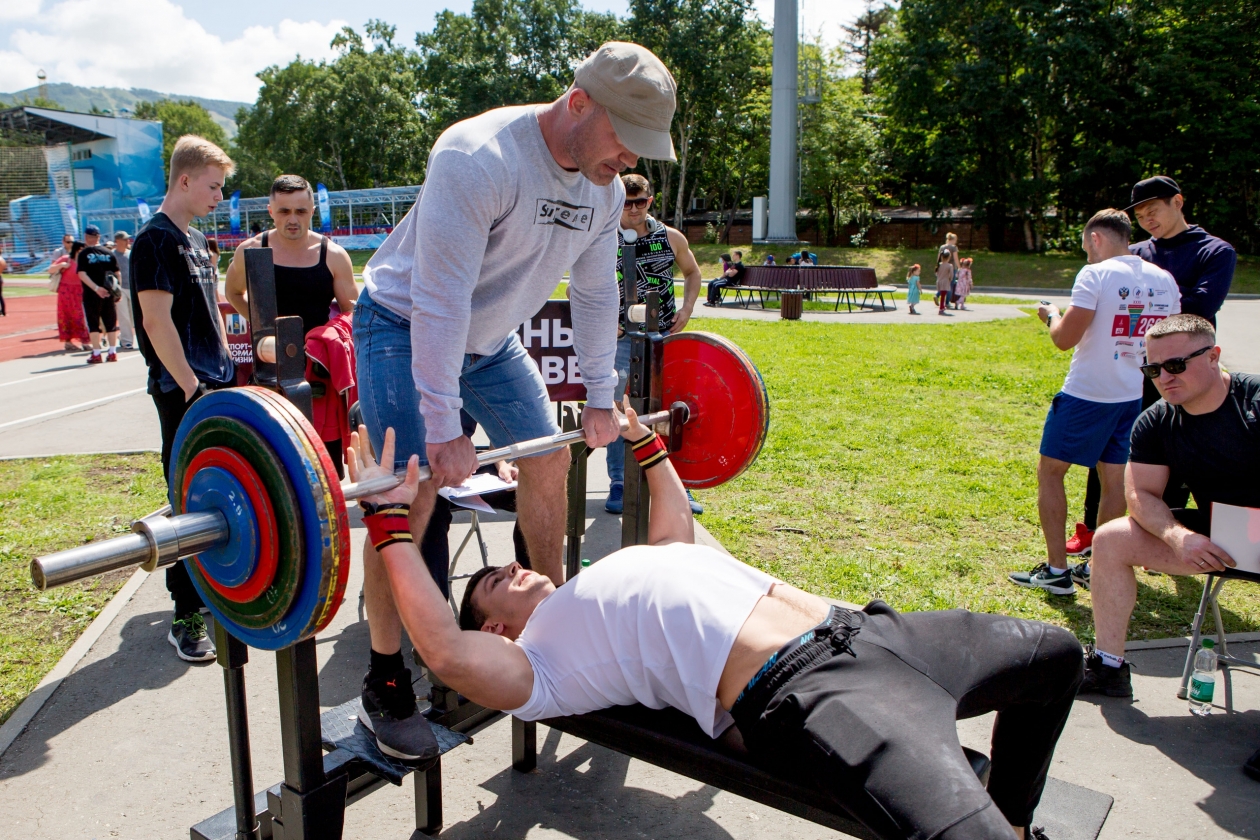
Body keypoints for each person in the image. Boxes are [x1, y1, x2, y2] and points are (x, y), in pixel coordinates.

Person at [349, 401, 1084, 840]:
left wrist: (645, 442)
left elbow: (672, 524)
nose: (510, 568)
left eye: (502, 565)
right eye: (492, 586)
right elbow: (442, 652)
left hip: (876, 631)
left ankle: (1016, 815)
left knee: (1056, 655)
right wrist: (389, 526)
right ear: (498, 632)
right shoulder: (542, 665)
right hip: (814, 694)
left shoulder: (613, 574)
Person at [351, 42, 677, 760]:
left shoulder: (606, 191)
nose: (630, 161)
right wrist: (440, 424)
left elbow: (595, 294)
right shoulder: (477, 158)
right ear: (580, 102)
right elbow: (437, 302)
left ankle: (557, 628)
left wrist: (598, 393)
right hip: (402, 323)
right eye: (626, 140)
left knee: (549, 459)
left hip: (488, 340)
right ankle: (385, 680)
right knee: (408, 494)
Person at [1077, 313, 1254, 702]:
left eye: (1176, 365)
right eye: (1153, 368)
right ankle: (1108, 668)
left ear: (1214, 356)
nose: (1164, 378)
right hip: (1221, 541)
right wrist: (1179, 537)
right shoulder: (1155, 421)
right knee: (1110, 538)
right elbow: (1140, 494)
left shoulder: (1254, 402)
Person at [1008, 209, 1180, 597]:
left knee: (1051, 472)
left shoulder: (1096, 274)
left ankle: (1056, 571)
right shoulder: (1164, 280)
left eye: (1086, 247)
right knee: (1113, 479)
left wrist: (1051, 315)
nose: (1086, 255)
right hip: (1131, 394)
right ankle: (1096, 565)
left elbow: (1064, 338)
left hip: (1086, 393)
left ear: (1097, 239)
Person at [1073, 176, 1238, 564]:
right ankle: (1093, 530)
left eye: (1154, 210)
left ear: (1178, 202)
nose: (1147, 219)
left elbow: (1199, 306)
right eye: (1141, 214)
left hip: (1182, 368)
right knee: (1113, 447)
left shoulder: (1214, 251)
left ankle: (1168, 531)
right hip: (1127, 367)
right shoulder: (1136, 252)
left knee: (1178, 445)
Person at [131, 135, 237, 663]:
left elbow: (210, 317)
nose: (220, 197)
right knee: (186, 499)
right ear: (186, 179)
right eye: (214, 186)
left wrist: (224, 374)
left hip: (213, 384)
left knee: (219, 492)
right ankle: (186, 613)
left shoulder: (196, 241)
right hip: (183, 391)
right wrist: (193, 388)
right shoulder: (153, 240)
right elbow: (155, 322)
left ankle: (211, 595)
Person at [605, 172, 703, 516]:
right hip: (622, 339)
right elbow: (577, 289)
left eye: (640, 202)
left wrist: (688, 307)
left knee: (670, 407)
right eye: (626, 202)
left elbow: (693, 272)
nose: (633, 209)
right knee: (620, 407)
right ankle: (619, 482)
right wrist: (605, 323)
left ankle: (676, 482)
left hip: (663, 336)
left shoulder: (670, 236)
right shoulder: (603, 237)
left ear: (650, 200)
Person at [76, 225, 121, 364]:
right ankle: (112, 351)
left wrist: (96, 288)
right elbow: (117, 273)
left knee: (93, 323)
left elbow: (82, 274)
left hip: (91, 294)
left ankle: (96, 353)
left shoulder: (84, 254)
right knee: (111, 322)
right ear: (99, 237)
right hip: (108, 293)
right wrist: (115, 290)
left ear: (86, 237)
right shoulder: (109, 253)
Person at [51, 242, 91, 351]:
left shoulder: (85, 261)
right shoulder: (66, 259)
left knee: (81, 316)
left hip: (80, 291)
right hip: (66, 291)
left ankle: (85, 341)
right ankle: (68, 342)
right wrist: (62, 265)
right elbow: (51, 269)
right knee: (66, 316)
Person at [113, 231, 135, 349]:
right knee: (124, 315)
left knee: (133, 316)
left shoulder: (131, 254)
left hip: (132, 287)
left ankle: (123, 336)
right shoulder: (112, 255)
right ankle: (127, 341)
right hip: (119, 289)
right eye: (125, 239)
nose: (128, 241)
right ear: (117, 241)